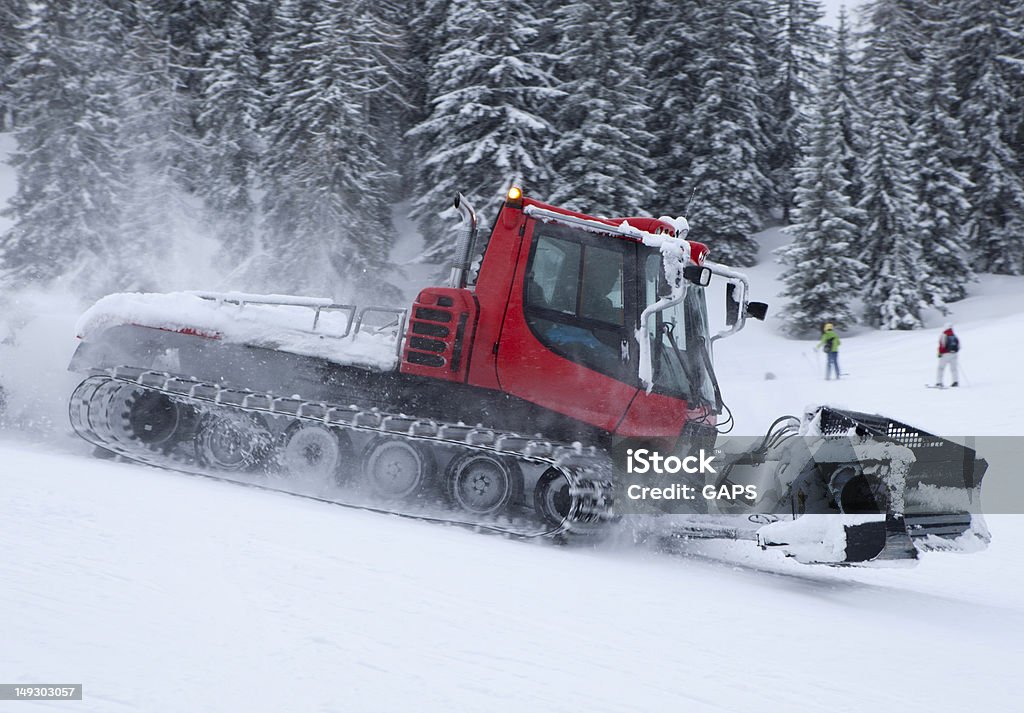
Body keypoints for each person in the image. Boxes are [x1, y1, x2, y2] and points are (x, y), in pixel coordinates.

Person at [936, 323, 959, 387]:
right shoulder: (954, 336)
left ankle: (939, 382)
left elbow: (942, 345)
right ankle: (955, 381)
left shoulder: (943, 335)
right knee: (954, 369)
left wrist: (940, 353)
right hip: (954, 354)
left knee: (940, 368)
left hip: (945, 354)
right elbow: (959, 346)